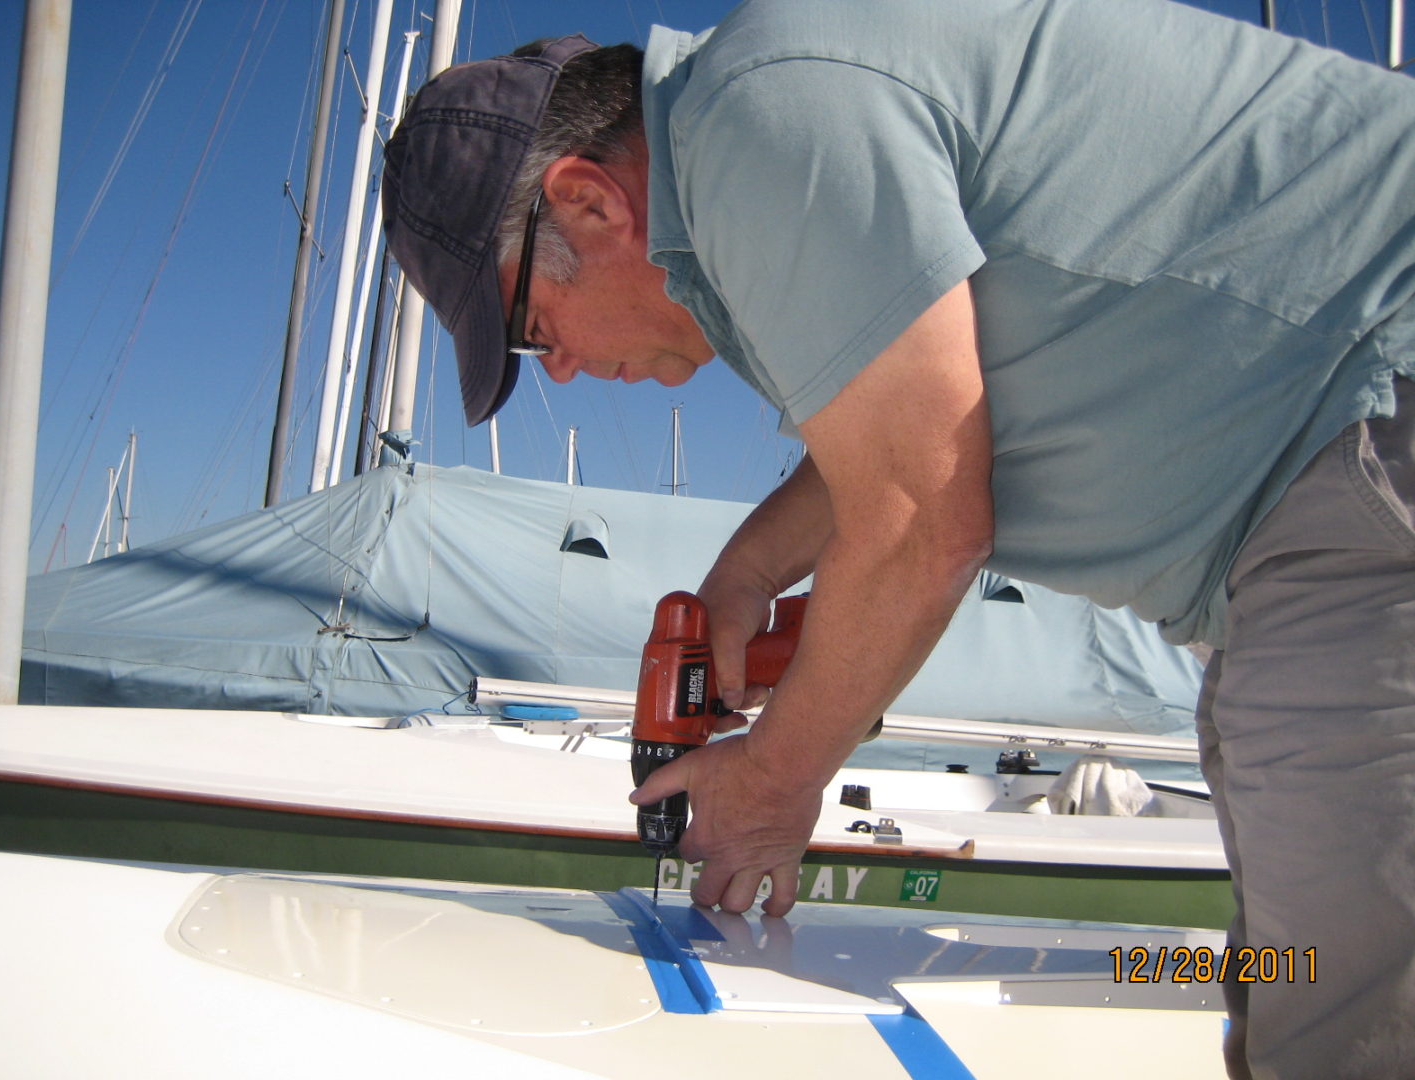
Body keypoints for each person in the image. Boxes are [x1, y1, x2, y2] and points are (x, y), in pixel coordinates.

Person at [381, 1, 1415, 1075]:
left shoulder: (762, 120)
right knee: (1297, 977)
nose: (558, 370)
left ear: (589, 203)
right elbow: (907, 426)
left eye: (533, 330)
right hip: (1319, 507)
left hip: (1373, 423)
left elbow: (923, 520)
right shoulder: (762, 147)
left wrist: (776, 781)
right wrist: (747, 576)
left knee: (1341, 1028)